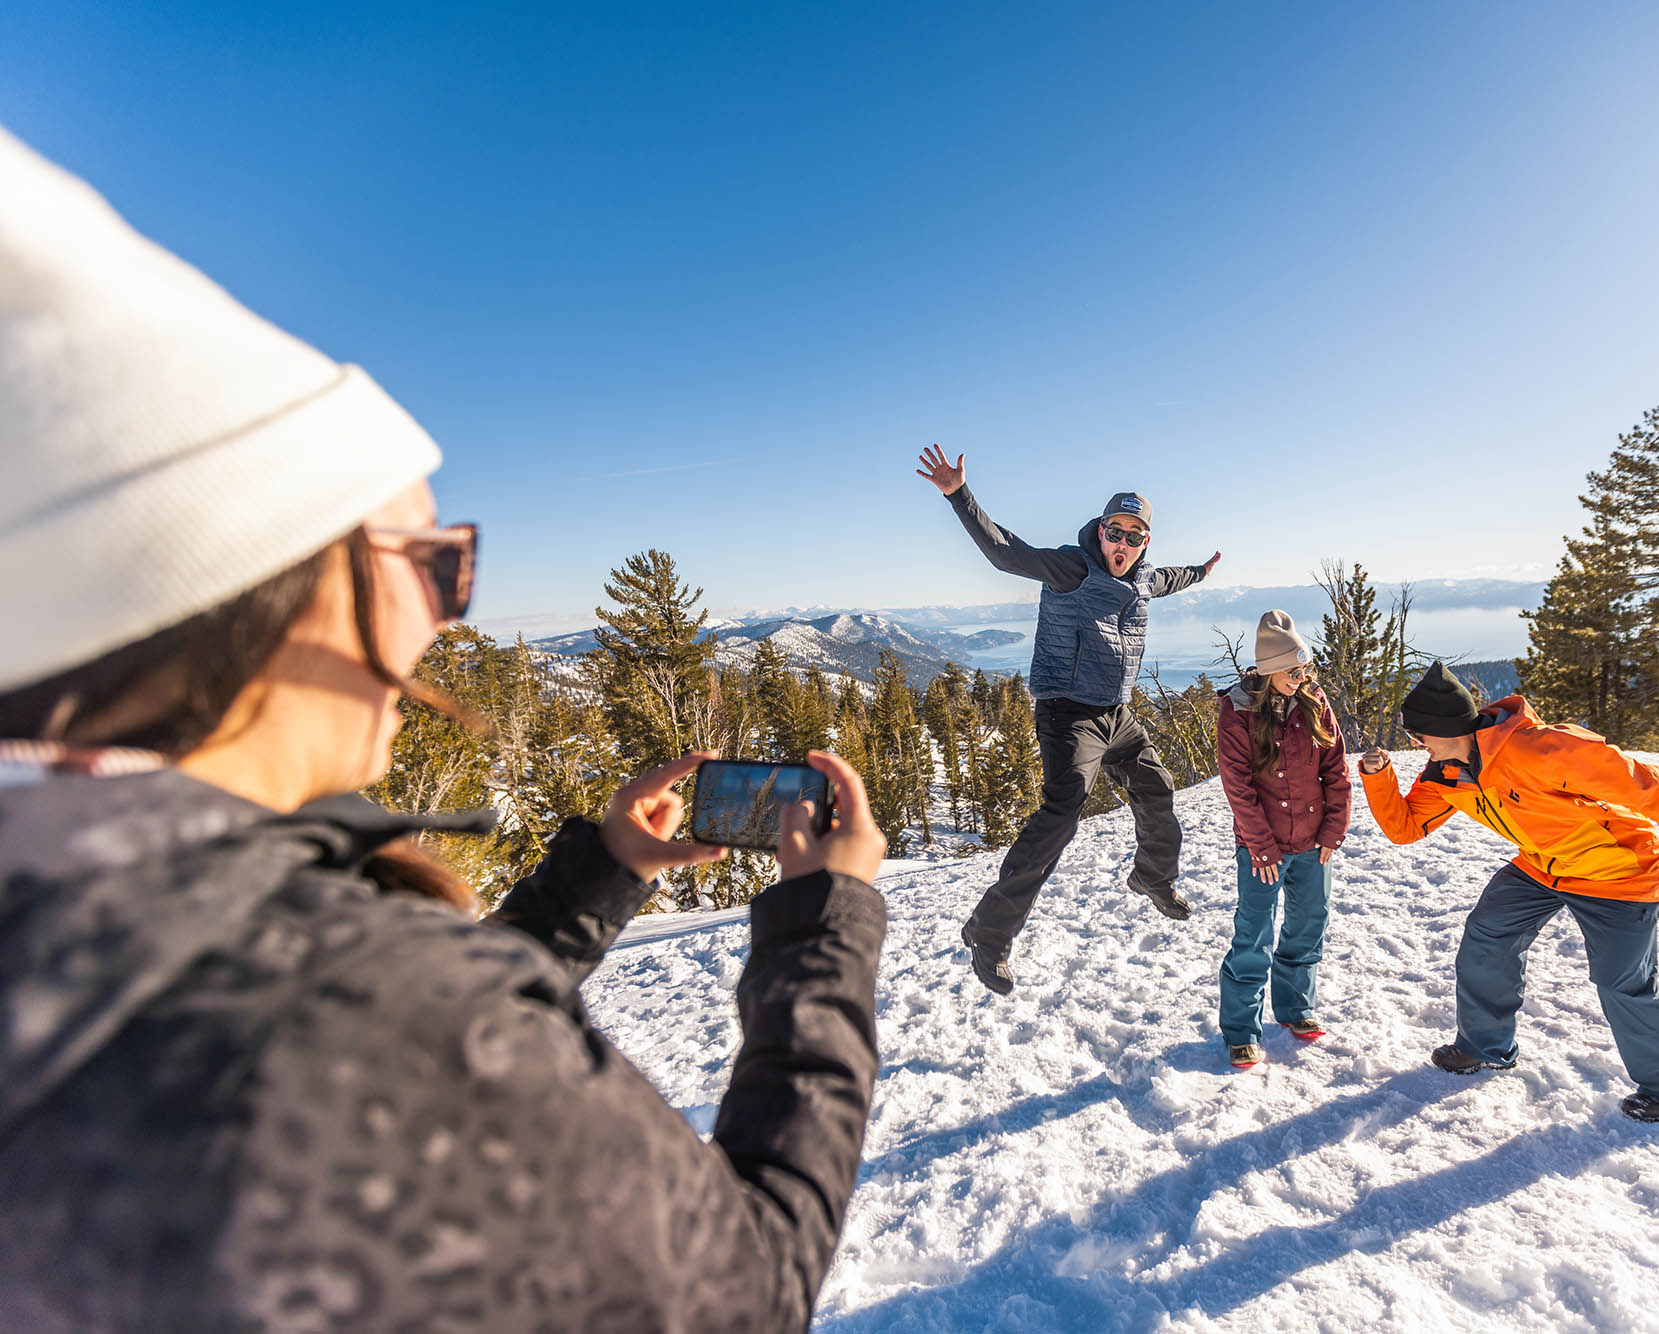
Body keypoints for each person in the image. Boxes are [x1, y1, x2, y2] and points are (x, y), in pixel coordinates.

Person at [0, 125, 887, 1332]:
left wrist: (599, 870)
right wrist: (822, 929)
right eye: (434, 563)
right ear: (270, 582)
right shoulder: (342, 1032)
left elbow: (424, 1044)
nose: (441, 626)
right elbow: (748, 1282)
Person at [1358, 661, 1659, 1122]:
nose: (1417, 744)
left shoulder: (1541, 750)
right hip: (1542, 866)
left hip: (1619, 872)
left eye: (1420, 735)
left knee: (1622, 982)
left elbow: (1641, 783)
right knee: (1487, 936)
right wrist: (1378, 778)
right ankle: (1486, 1046)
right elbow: (1406, 827)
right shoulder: (1447, 774)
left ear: (1447, 728)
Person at [916, 445, 1220, 994]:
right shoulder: (1071, 567)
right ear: (1099, 530)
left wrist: (1200, 571)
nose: (1121, 543)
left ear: (1144, 542)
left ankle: (1152, 877)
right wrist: (959, 496)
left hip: (1116, 714)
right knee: (1061, 816)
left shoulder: (1143, 578)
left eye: (1134, 536)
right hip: (1067, 716)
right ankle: (988, 934)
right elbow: (1007, 553)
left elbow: (1170, 578)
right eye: (1114, 531)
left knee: (1157, 786)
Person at [1214, 611, 1351, 1069]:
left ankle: (1295, 1008)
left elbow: (1336, 769)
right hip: (1263, 848)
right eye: (1293, 671)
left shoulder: (1314, 700)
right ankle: (1241, 1030)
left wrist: (1333, 831)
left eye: (1304, 668)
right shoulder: (1237, 711)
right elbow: (1238, 786)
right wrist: (1261, 846)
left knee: (1309, 924)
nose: (1302, 677)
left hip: (1314, 842)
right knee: (1253, 936)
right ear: (1269, 670)